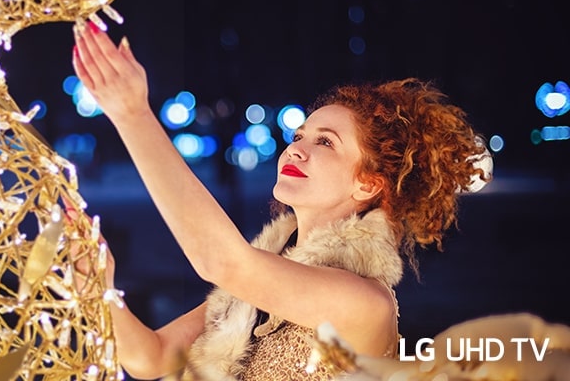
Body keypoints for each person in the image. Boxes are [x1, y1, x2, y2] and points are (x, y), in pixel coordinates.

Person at [69, 20, 491, 380]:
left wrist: (133, 115)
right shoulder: (254, 287)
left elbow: (221, 261)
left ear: (367, 184)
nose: (296, 150)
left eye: (326, 142)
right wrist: (97, 285)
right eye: (298, 136)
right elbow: (151, 356)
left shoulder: (365, 303)